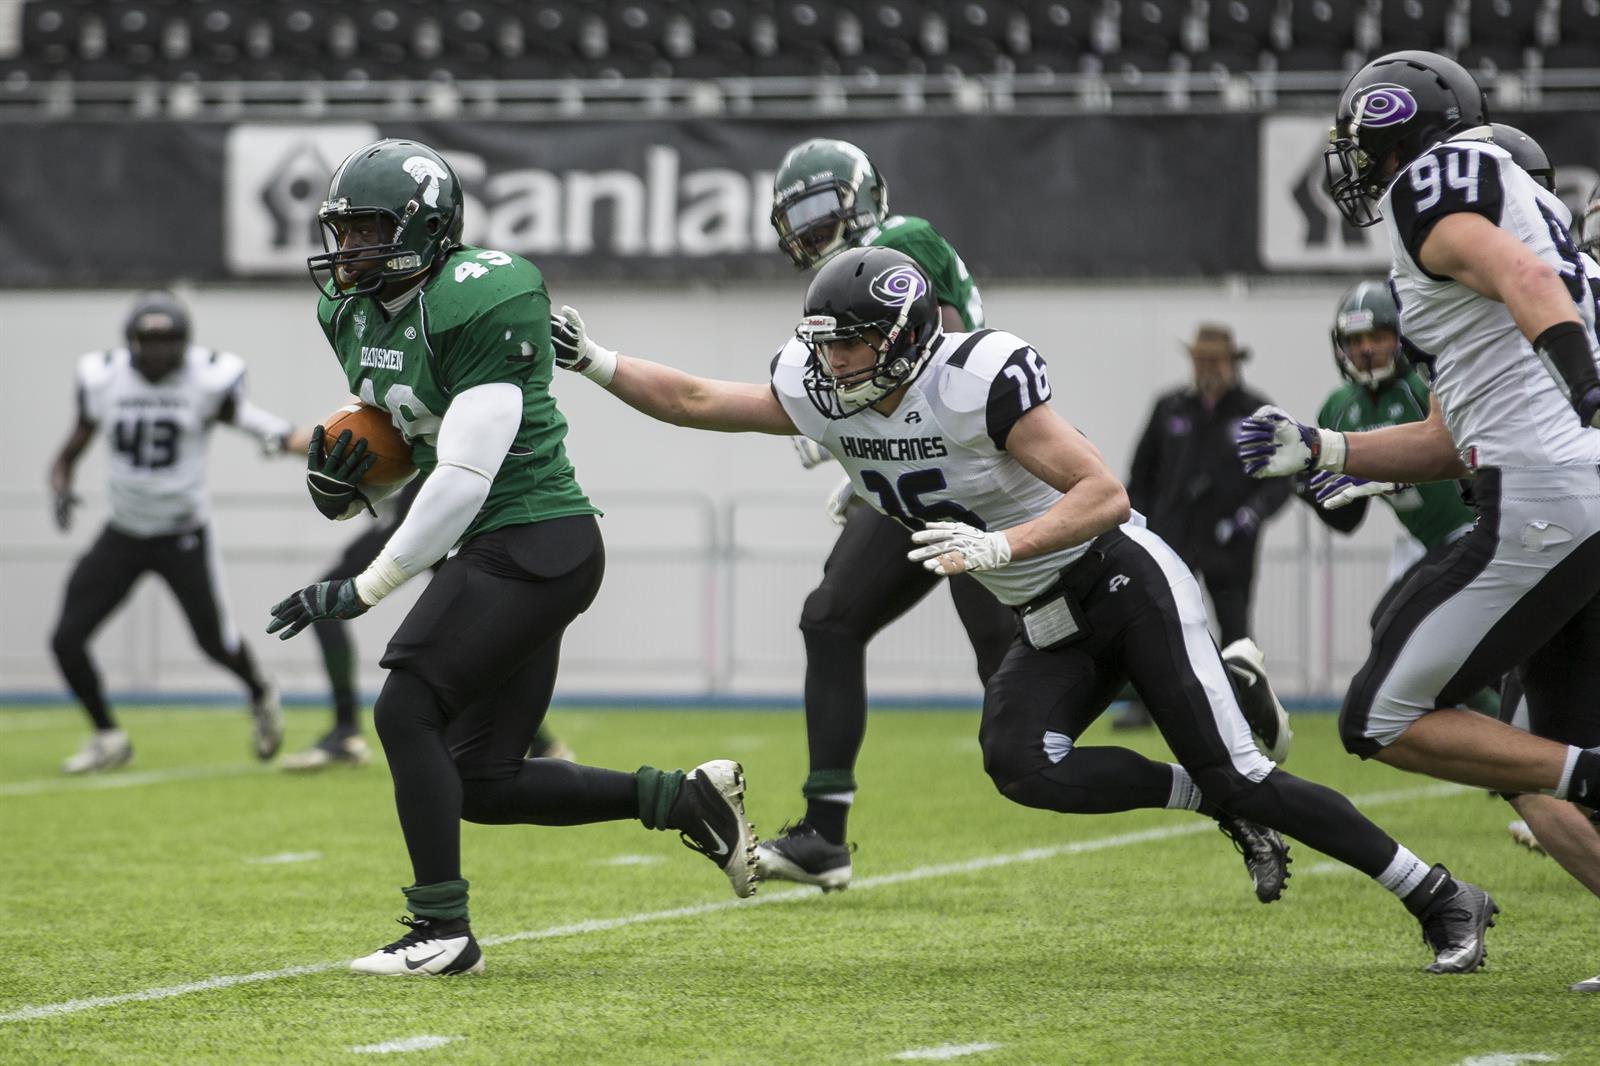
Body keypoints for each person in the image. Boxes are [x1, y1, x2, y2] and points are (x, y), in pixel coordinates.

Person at [552, 244, 1500, 973]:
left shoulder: (977, 380)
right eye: (825, 343)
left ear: (908, 334)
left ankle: (1442, 895)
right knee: (1019, 763)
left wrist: (999, 545)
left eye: (851, 342)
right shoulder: (825, 388)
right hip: (1047, 614)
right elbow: (692, 398)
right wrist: (595, 360)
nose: (834, 361)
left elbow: (1105, 494)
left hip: (1122, 582)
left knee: (1249, 775)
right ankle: (1206, 795)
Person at [264, 138, 758, 977]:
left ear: (425, 228)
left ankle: (440, 933)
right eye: (341, 232)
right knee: (485, 781)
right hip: (502, 546)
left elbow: (462, 476)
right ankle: (684, 798)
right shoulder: (348, 313)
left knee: (403, 710)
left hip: (533, 536)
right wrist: (339, 487)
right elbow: (403, 442)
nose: (348, 251)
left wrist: (366, 586)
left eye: (368, 231)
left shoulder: (485, 294)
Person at [1238, 51, 1600, 991]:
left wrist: (1588, 391)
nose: (1352, 164)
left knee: (1381, 714)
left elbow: (1518, 272)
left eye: (1363, 140)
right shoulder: (1526, 206)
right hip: (1571, 500)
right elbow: (1449, 434)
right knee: (1546, 750)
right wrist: (1326, 450)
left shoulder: (1434, 189)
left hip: (1542, 500)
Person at [756, 138, 1017, 890]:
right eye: (794, 215)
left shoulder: (901, 241)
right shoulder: (853, 274)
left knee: (1014, 679)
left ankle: (1216, 729)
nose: (805, 229)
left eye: (818, 209)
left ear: (861, 199)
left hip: (972, 483)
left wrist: (875, 452)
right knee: (830, 618)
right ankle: (824, 833)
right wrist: (863, 460)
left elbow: (931, 362)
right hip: (912, 479)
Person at [48, 291, 302, 774]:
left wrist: (315, 444)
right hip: (122, 532)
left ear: (185, 343)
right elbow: (67, 452)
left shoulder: (207, 381)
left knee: (215, 643)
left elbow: (260, 425)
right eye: (149, 340)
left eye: (168, 341)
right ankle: (108, 736)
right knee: (66, 638)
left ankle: (260, 691)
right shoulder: (103, 378)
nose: (159, 351)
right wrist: (60, 487)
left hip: (182, 534)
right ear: (130, 341)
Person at [278, 477, 575, 772]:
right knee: (478, 629)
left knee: (325, 601)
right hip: (431, 508)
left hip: (431, 509)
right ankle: (541, 741)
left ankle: (346, 731)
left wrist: (282, 436)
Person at [1298, 281, 1496, 717]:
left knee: (1397, 622)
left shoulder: (1426, 390)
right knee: (1417, 633)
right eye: (1356, 340)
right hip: (1438, 547)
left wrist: (1392, 473)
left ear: (1402, 337)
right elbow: (1349, 520)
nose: (1366, 349)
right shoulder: (1337, 407)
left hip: (1479, 531)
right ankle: (1511, 739)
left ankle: (1509, 739)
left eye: (1378, 336)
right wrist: (1305, 486)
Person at [1119, 324, 1293, 734]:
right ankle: (1149, 706)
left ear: (1232, 363)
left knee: (1235, 629)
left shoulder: (1255, 411)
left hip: (1229, 541)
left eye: (1214, 360)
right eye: (1200, 360)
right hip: (1173, 537)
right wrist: (1138, 525)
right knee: (1161, 624)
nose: (1207, 368)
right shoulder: (1170, 407)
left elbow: (1281, 479)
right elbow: (1140, 473)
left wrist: (1253, 514)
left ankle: (1244, 709)